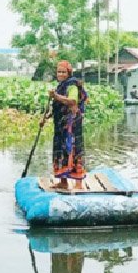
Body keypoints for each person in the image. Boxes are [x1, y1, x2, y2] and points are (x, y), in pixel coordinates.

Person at [42, 60, 88, 190]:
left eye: (63, 72)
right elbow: (58, 106)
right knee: (60, 151)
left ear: (69, 73)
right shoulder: (60, 86)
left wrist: (55, 96)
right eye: (59, 71)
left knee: (73, 150)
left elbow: (72, 101)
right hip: (60, 125)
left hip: (71, 125)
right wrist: (47, 117)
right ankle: (63, 182)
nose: (61, 74)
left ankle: (78, 184)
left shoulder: (71, 85)